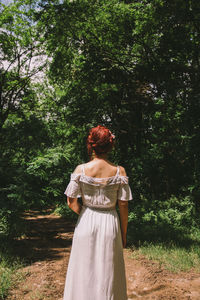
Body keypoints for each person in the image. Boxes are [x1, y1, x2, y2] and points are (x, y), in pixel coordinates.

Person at [63, 125, 133, 300]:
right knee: (108, 271)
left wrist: (86, 214)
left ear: (91, 145)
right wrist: (123, 234)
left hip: (86, 220)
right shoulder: (119, 172)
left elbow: (71, 202)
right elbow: (123, 206)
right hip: (110, 222)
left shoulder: (81, 170)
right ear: (110, 146)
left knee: (84, 269)